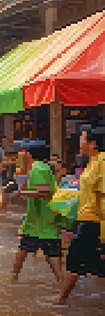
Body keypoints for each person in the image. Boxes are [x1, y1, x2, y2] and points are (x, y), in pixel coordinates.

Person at [51, 125, 105, 305]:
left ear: (93, 143)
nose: (79, 142)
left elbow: (101, 192)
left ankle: (61, 299)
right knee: (95, 265)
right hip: (86, 217)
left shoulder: (102, 162)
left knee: (74, 258)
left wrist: (99, 211)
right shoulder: (93, 161)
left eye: (82, 139)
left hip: (93, 219)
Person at [9, 143, 64, 283]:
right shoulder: (43, 167)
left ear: (30, 154)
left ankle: (12, 278)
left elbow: (44, 192)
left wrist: (21, 193)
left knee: (24, 248)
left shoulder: (38, 168)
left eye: (25, 152)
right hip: (46, 219)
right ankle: (62, 284)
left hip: (39, 221)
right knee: (52, 253)